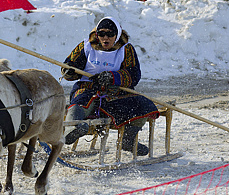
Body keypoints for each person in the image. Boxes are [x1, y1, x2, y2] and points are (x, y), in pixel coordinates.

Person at [61, 17, 157, 156]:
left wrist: (113, 77)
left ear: (117, 35)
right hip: (88, 87)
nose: (105, 38)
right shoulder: (86, 46)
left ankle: (128, 141)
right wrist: (69, 71)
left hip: (114, 91)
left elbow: (134, 75)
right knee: (81, 100)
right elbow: (69, 66)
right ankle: (72, 129)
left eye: (110, 34)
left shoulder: (126, 49)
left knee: (142, 104)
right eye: (101, 34)